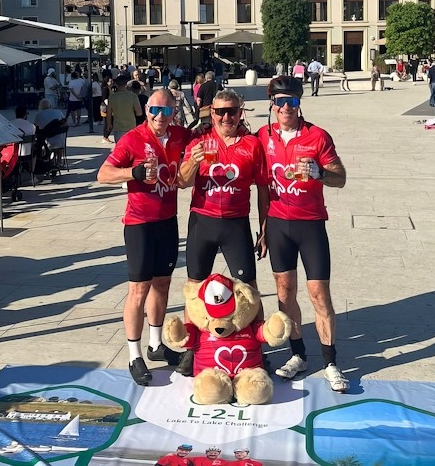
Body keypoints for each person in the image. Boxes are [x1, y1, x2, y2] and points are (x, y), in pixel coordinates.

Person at [256, 76, 349, 392]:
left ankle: (330, 362)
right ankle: (298, 355)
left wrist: (320, 173)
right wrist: (264, 228)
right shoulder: (263, 136)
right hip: (279, 225)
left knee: (319, 294)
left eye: (292, 101)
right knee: (285, 294)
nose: (285, 107)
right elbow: (262, 188)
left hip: (310, 225)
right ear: (272, 104)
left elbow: (341, 178)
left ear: (299, 104)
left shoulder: (317, 136)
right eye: (279, 101)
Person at [97, 89, 194, 386]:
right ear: (146, 109)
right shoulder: (133, 138)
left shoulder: (180, 135)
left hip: (167, 221)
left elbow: (205, 140)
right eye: (154, 110)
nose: (159, 117)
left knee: (162, 284)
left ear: (174, 112)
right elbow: (103, 174)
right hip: (139, 223)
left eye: (166, 111)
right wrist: (134, 172)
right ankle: (133, 355)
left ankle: (155, 345)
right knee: (138, 289)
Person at [177, 89, 269, 376]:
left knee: (249, 289)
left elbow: (263, 188)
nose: (226, 116)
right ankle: (192, 350)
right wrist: (193, 160)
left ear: (240, 112)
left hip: (235, 223)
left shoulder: (252, 145)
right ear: (211, 114)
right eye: (220, 112)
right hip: (202, 222)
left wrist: (264, 229)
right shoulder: (200, 141)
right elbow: (181, 181)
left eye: (231, 111)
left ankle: (257, 347)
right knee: (194, 288)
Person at [106, 74, 142, 143]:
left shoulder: (112, 97)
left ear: (116, 84)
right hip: (131, 126)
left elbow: (109, 114)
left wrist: (109, 125)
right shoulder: (133, 96)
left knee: (121, 150)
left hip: (118, 127)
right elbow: (139, 112)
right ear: (126, 84)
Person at [34, 98, 67, 167]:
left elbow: (35, 128)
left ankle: (46, 161)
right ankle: (59, 161)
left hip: (47, 141)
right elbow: (64, 123)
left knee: (41, 139)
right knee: (59, 139)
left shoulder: (39, 115)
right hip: (60, 141)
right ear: (50, 105)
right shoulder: (58, 112)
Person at [11, 104, 36, 173]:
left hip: (13, 154)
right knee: (34, 152)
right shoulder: (31, 126)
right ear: (25, 115)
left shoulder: (10, 124)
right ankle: (32, 172)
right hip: (27, 154)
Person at [101, 77, 114, 144]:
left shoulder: (110, 88)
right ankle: (105, 137)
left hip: (109, 107)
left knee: (110, 123)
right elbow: (105, 98)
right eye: (110, 81)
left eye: (112, 81)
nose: (111, 82)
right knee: (107, 123)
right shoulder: (105, 89)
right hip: (106, 108)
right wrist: (109, 106)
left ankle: (106, 137)